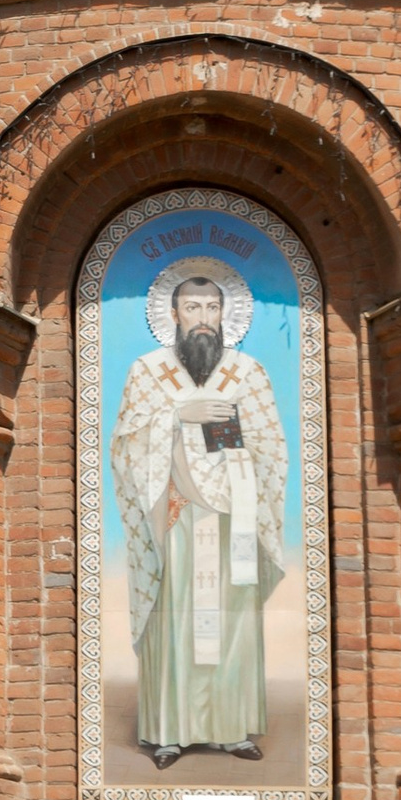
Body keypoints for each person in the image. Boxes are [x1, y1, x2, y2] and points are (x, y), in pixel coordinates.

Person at [111, 260, 287, 765]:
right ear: (173, 312)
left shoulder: (246, 372)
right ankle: (170, 732)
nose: (203, 316)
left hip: (234, 517)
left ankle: (231, 730)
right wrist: (176, 416)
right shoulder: (149, 371)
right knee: (178, 621)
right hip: (176, 517)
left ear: (225, 313)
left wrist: (232, 445)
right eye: (193, 307)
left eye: (212, 307)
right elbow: (124, 444)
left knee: (232, 622)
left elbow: (270, 445)